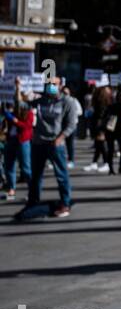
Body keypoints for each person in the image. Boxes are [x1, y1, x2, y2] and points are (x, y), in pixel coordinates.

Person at [18, 76, 77, 219]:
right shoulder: (41, 100)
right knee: (36, 176)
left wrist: (60, 138)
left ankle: (65, 203)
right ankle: (33, 202)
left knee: (61, 175)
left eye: (54, 84)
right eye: (48, 84)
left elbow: (71, 124)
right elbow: (22, 105)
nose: (50, 86)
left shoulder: (67, 102)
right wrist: (17, 88)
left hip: (55, 144)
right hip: (39, 143)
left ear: (60, 85)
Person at [2, 98, 34, 200]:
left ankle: (32, 191)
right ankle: (11, 189)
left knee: (26, 168)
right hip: (11, 140)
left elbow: (27, 126)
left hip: (23, 141)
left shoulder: (29, 112)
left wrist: (14, 120)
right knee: (9, 165)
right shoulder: (11, 111)